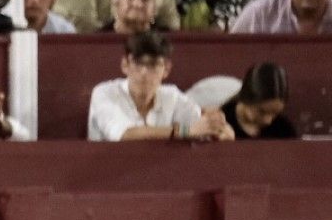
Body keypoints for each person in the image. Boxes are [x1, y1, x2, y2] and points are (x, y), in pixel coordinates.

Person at [87, 30, 234, 141]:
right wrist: (184, 131)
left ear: (166, 69)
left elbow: (206, 128)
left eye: (153, 65)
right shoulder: (104, 93)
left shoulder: (172, 96)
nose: (144, 72)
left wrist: (218, 127)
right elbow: (125, 135)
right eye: (138, 63)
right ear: (125, 65)